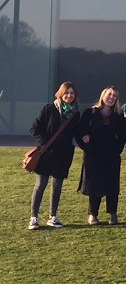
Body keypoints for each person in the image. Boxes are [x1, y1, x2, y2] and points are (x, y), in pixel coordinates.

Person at [28, 82, 82, 230]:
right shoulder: (49, 109)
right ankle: (34, 217)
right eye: (67, 92)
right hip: (46, 153)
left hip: (63, 155)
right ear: (60, 93)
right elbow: (34, 128)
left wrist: (85, 139)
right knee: (41, 185)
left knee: (57, 186)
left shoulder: (75, 114)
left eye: (72, 93)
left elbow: (77, 133)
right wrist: (46, 143)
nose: (69, 96)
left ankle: (52, 216)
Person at [76, 86, 126, 226]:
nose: (111, 98)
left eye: (114, 96)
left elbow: (124, 134)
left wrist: (117, 148)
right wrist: (86, 145)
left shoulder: (119, 115)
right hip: (93, 155)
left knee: (112, 185)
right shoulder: (90, 113)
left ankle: (113, 214)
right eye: (109, 95)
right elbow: (80, 132)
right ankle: (93, 215)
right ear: (103, 96)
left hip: (111, 155)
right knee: (94, 186)